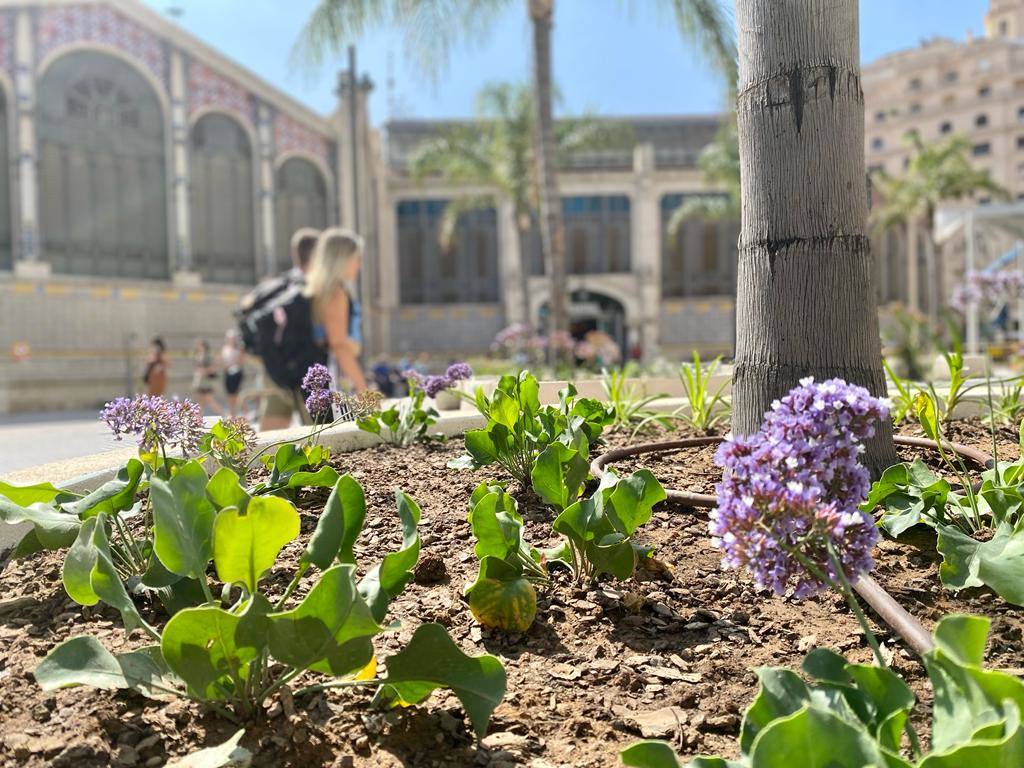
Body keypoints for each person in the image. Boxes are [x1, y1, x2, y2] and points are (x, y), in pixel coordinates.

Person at [259, 228, 320, 431]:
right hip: (307, 369)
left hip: (276, 368)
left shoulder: (281, 285)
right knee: (318, 435)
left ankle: (263, 463)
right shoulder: (311, 288)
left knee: (271, 436)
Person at [306, 228, 368, 394]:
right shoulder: (335, 293)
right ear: (343, 259)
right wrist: (363, 389)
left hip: (291, 372)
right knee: (325, 421)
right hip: (314, 379)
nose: (359, 265)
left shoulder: (313, 288)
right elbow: (338, 345)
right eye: (357, 258)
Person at [192, 339, 223, 416]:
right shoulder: (198, 355)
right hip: (200, 381)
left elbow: (213, 368)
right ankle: (199, 418)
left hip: (206, 382)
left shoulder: (207, 356)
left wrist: (204, 371)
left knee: (210, 401)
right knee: (200, 402)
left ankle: (223, 415)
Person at [221, 328, 246, 418]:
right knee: (229, 396)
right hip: (227, 373)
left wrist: (233, 364)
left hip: (236, 373)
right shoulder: (225, 348)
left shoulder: (239, 349)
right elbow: (223, 361)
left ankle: (245, 413)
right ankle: (233, 415)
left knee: (237, 395)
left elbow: (241, 362)